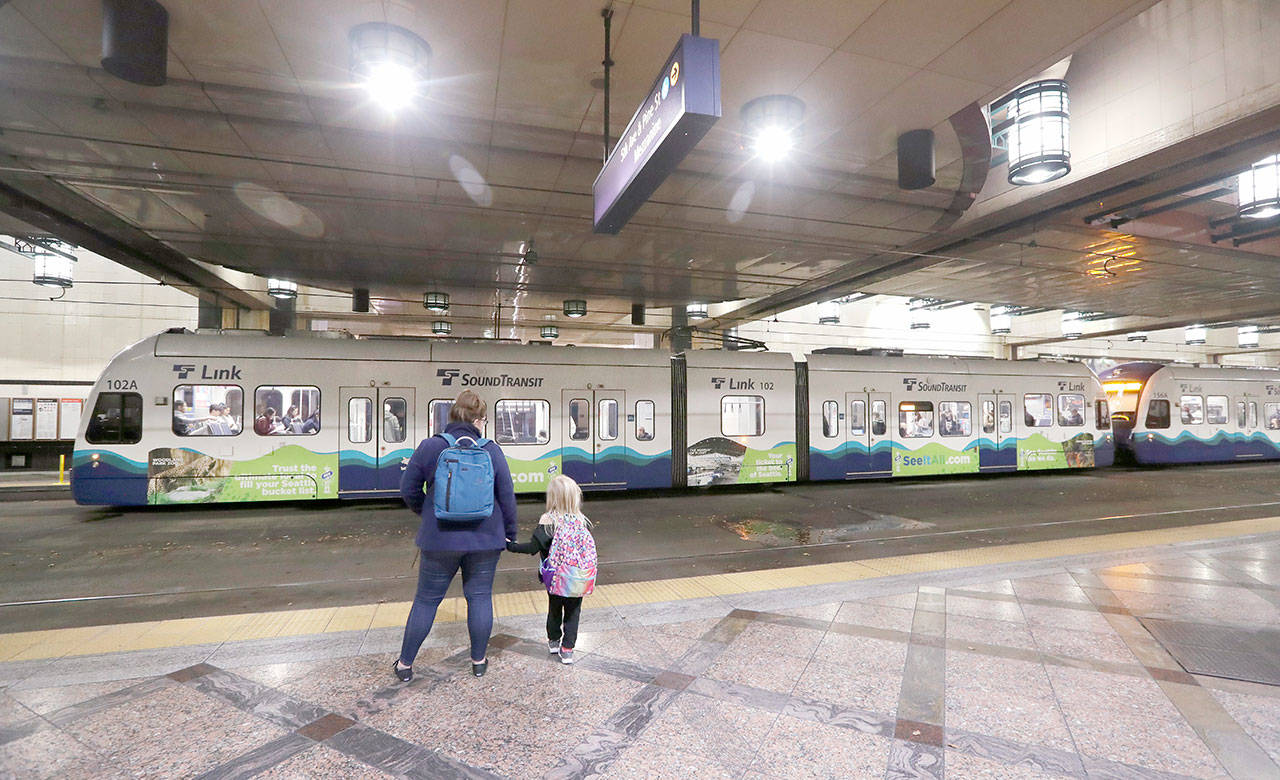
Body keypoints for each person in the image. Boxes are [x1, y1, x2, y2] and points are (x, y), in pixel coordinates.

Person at [395, 389, 517, 681]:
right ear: (479, 420)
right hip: (485, 540)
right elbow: (507, 497)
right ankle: (478, 661)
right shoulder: (491, 449)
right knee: (479, 598)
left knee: (426, 600)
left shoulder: (431, 446)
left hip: (439, 540)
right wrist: (509, 534)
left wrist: (428, 512)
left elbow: (407, 489)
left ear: (452, 416)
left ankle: (405, 665)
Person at [506, 475, 595, 664]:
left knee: (554, 609)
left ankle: (554, 642)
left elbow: (532, 548)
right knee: (573, 612)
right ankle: (568, 650)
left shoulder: (548, 520)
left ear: (552, 498)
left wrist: (510, 545)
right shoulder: (582, 521)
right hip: (578, 578)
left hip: (555, 578)